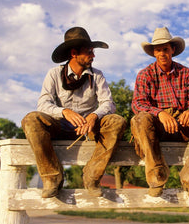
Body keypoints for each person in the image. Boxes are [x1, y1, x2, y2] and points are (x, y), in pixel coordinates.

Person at [22, 27, 126, 198]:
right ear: (74, 53)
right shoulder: (54, 74)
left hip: (90, 129)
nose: (93, 55)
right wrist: (64, 112)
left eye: (93, 51)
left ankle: (92, 176)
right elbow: (43, 103)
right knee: (32, 119)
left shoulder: (97, 75)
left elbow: (108, 103)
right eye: (89, 52)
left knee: (117, 121)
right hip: (60, 126)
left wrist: (93, 116)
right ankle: (52, 178)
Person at [131, 27, 189, 202]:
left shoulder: (186, 73)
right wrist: (160, 114)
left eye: (166, 49)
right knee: (139, 118)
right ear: (153, 52)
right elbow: (138, 103)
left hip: (183, 124)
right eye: (158, 49)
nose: (162, 53)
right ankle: (157, 176)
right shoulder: (145, 74)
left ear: (172, 50)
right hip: (157, 126)